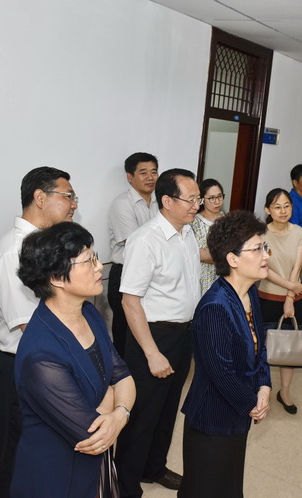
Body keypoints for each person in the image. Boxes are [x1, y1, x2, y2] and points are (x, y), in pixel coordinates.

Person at [12, 222, 136, 498]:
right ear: (57, 277)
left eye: (96, 257)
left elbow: (123, 375)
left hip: (97, 465)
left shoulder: (89, 313)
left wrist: (119, 413)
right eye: (89, 260)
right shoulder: (41, 355)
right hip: (58, 474)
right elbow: (91, 433)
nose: (99, 266)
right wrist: (114, 400)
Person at [0, 166, 78, 497]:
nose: (73, 205)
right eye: (68, 196)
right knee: (18, 464)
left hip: (47, 363)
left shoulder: (45, 245)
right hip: (23, 366)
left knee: (42, 461)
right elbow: (32, 327)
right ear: (40, 197)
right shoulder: (15, 250)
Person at [115, 168, 202, 497]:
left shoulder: (186, 233)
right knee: (142, 415)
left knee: (167, 409)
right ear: (167, 201)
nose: (196, 205)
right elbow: (130, 301)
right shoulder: (146, 240)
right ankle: (125, 484)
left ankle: (154, 468)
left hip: (182, 335)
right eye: (190, 199)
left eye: (198, 198)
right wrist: (152, 353)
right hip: (152, 337)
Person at [179, 210, 272, 498]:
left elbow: (259, 345)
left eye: (265, 247)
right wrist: (252, 404)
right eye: (257, 249)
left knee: (229, 488)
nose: (266, 255)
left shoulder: (249, 293)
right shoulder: (215, 307)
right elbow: (221, 373)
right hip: (213, 419)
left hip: (237, 413)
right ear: (233, 259)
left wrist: (265, 386)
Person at [259, 188, 302, 414]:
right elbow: (264, 268)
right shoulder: (261, 235)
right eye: (277, 207)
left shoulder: (299, 232)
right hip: (268, 297)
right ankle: (261, 390)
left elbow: (297, 266)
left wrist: (290, 297)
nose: (283, 210)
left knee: (290, 348)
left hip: (295, 298)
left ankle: (284, 392)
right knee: (263, 348)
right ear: (268, 210)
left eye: (287, 206)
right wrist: (291, 287)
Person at [107, 152, 159, 357]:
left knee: (148, 330)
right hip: (125, 274)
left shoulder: (162, 202)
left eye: (154, 172)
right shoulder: (122, 204)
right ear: (130, 177)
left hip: (153, 274)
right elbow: (136, 245)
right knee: (125, 333)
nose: (150, 177)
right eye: (143, 172)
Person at [191, 178, 225, 294]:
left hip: (224, 277)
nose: (217, 201)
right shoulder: (194, 222)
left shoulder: (229, 221)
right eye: (211, 198)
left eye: (219, 196)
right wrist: (224, 255)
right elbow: (197, 253)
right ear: (202, 200)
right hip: (201, 278)